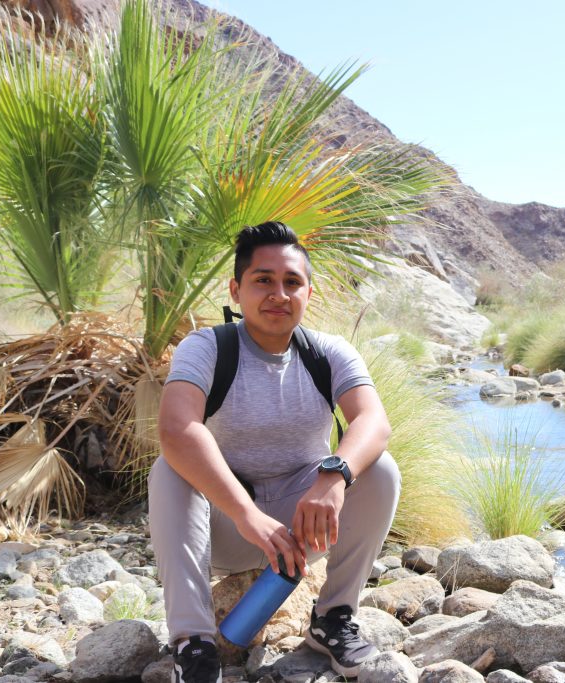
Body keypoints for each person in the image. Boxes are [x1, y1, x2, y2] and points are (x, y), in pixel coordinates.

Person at [148, 222, 400, 683]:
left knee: (379, 468)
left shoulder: (329, 352)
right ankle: (194, 645)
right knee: (170, 469)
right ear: (236, 290)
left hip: (304, 526)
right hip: (226, 522)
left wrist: (332, 477)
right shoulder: (206, 348)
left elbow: (373, 422)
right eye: (262, 280)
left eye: (291, 282)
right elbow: (177, 429)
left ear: (308, 291)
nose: (278, 294)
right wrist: (245, 513)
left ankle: (333, 621)